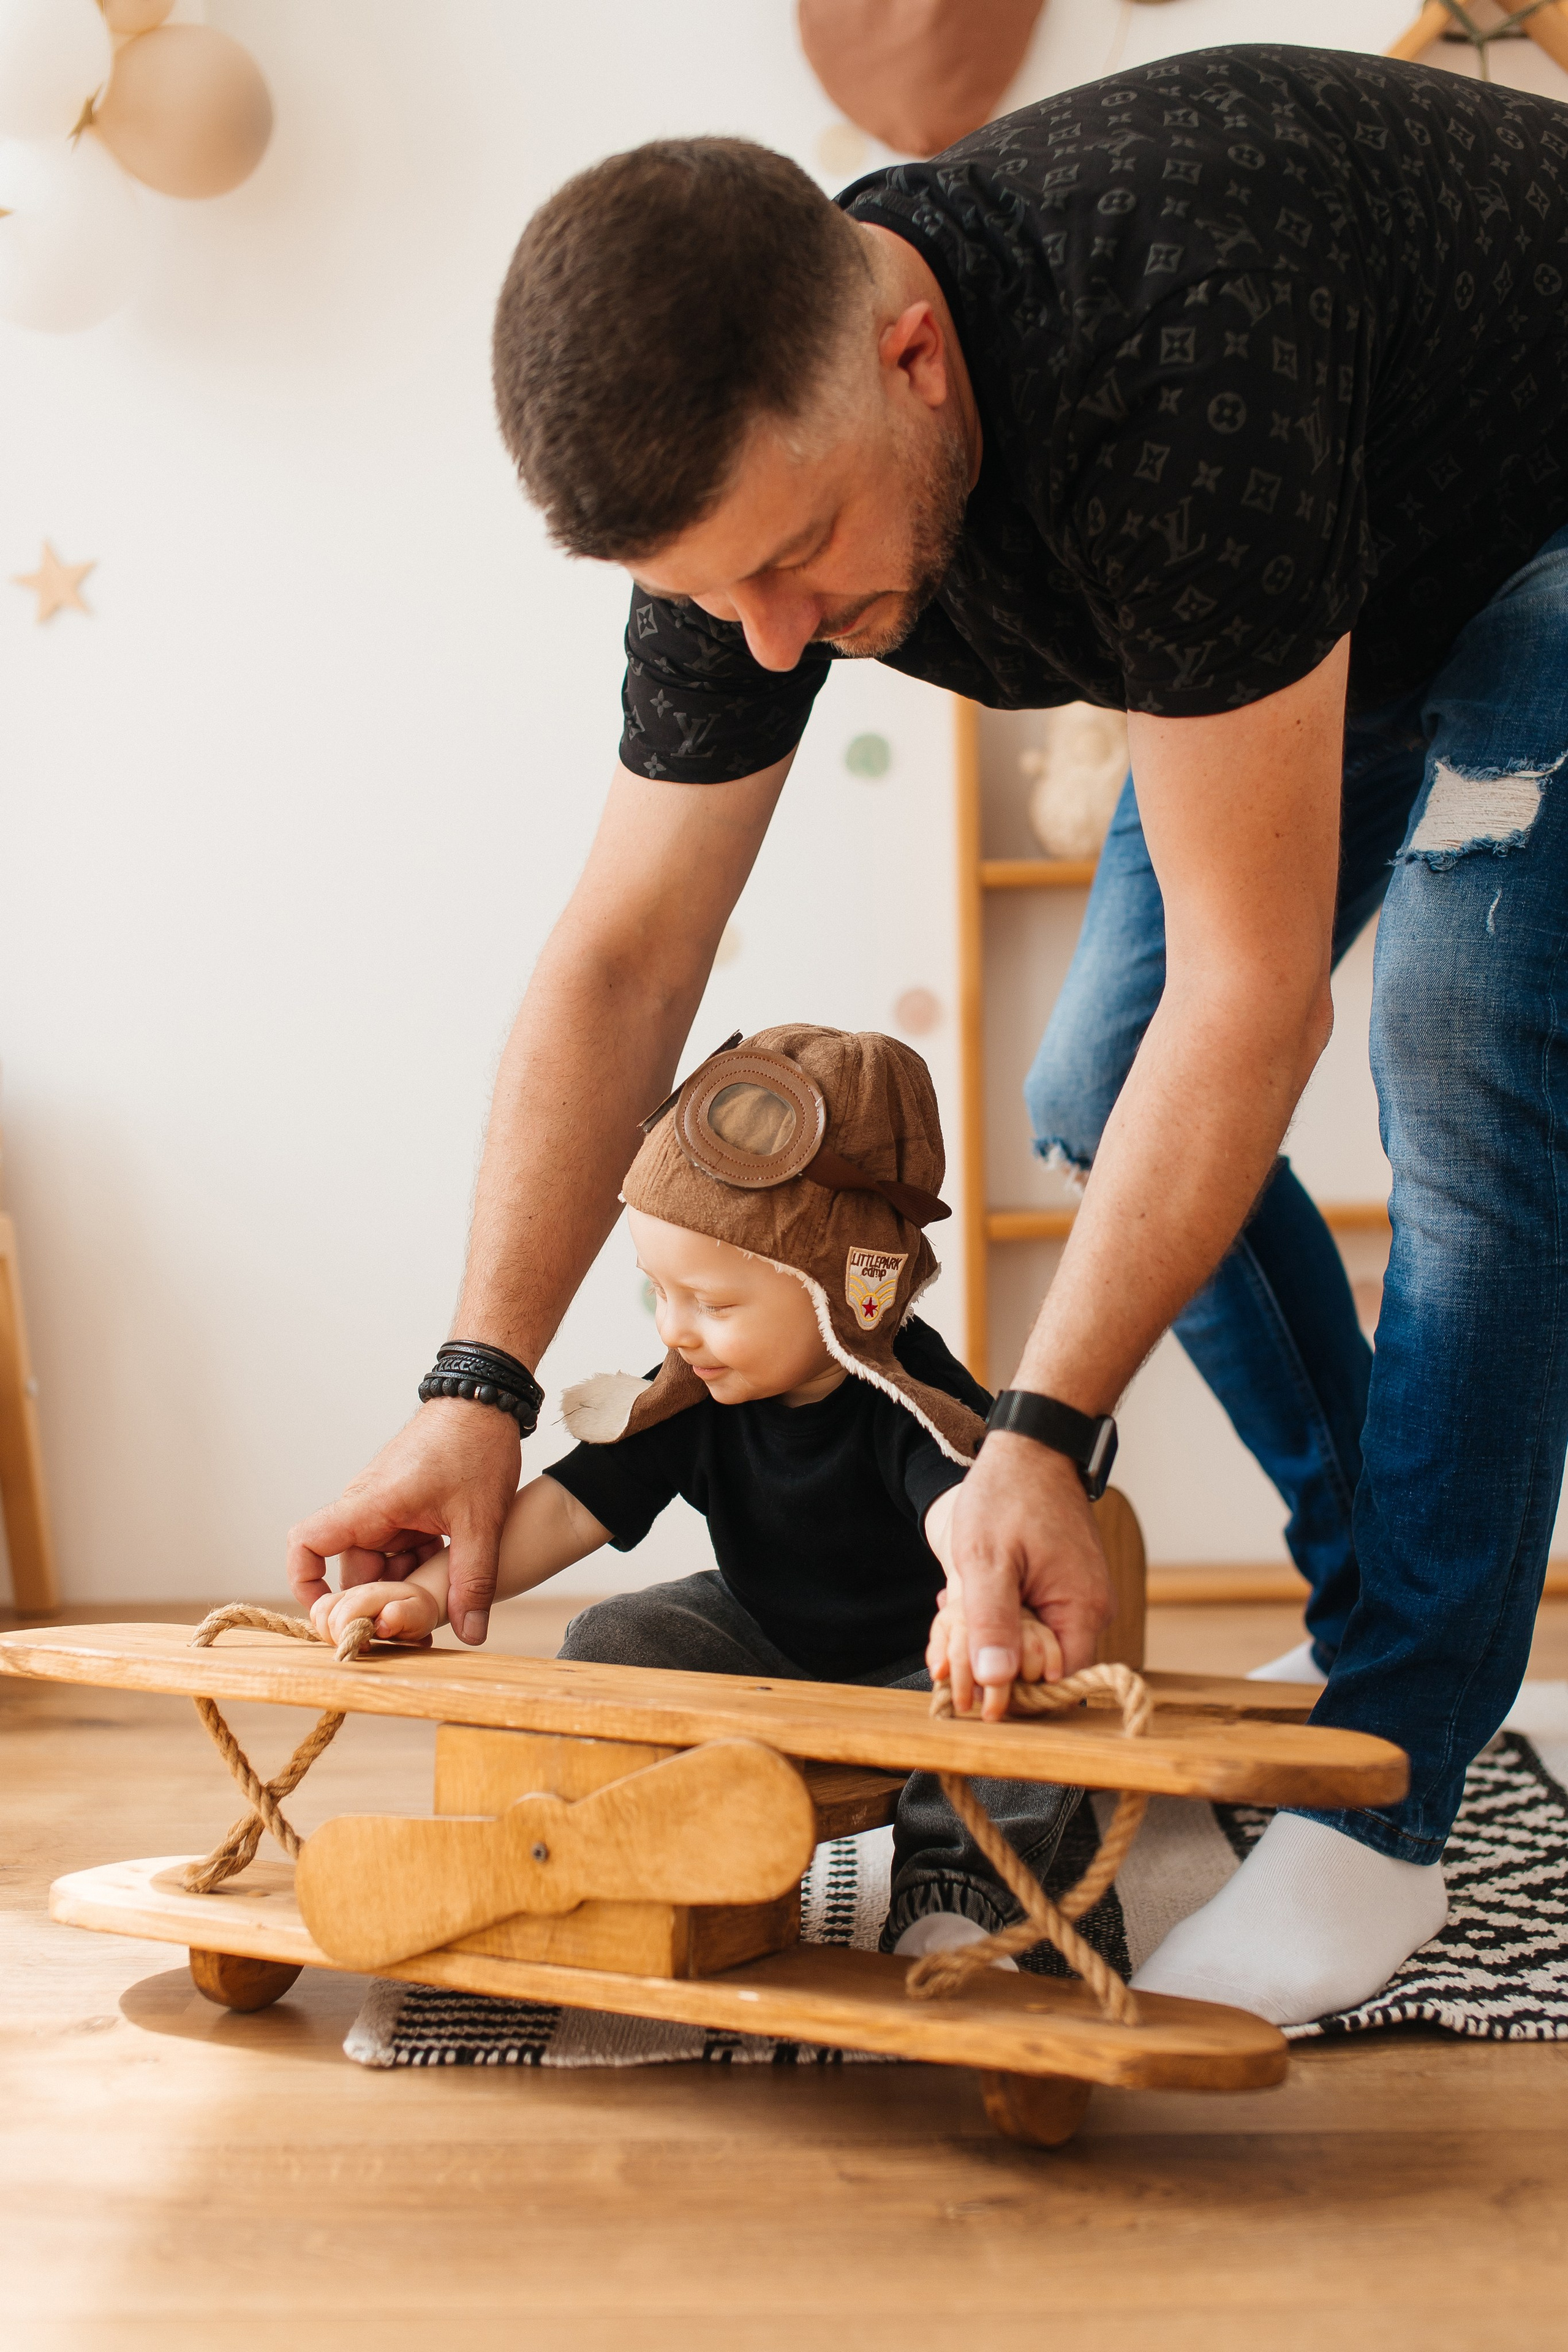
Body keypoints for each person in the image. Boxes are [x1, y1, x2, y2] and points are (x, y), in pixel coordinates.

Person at [289, 44, 1568, 2024]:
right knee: (1086, 1093)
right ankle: (1389, 1612)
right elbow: (629, 954)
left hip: (1535, 511)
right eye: (721, 596)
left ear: (911, 354)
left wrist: (1041, 1440)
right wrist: (478, 1387)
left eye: (796, 559)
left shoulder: (1175, 363)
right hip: (1353, 554)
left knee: (1472, 1078)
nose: (777, 639)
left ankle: (1394, 1795)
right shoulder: (743, 541)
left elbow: (1256, 1000)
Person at [311, 1026, 1072, 1966]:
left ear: (847, 1292)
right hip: (766, 1637)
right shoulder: (692, 1391)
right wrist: (428, 1590)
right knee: (613, 1639)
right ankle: (615, 1837)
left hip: (923, 1662)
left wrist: (993, 1593)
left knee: (1018, 1699)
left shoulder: (906, 1397)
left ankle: (956, 1894)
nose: (680, 1331)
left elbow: (963, 1506)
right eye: (658, 1295)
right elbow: (565, 1507)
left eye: (714, 1304)